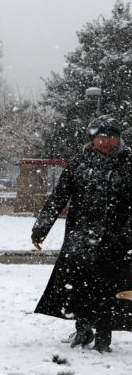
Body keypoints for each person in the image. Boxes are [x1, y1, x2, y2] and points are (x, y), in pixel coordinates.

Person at [32, 116, 132, 354]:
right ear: (93, 139)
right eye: (101, 137)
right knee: (78, 285)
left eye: (111, 138)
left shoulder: (128, 164)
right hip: (80, 236)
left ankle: (104, 336)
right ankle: (83, 328)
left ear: (118, 140)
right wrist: (41, 228)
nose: (105, 142)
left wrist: (127, 232)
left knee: (109, 288)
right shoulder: (79, 163)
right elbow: (58, 197)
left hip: (116, 238)